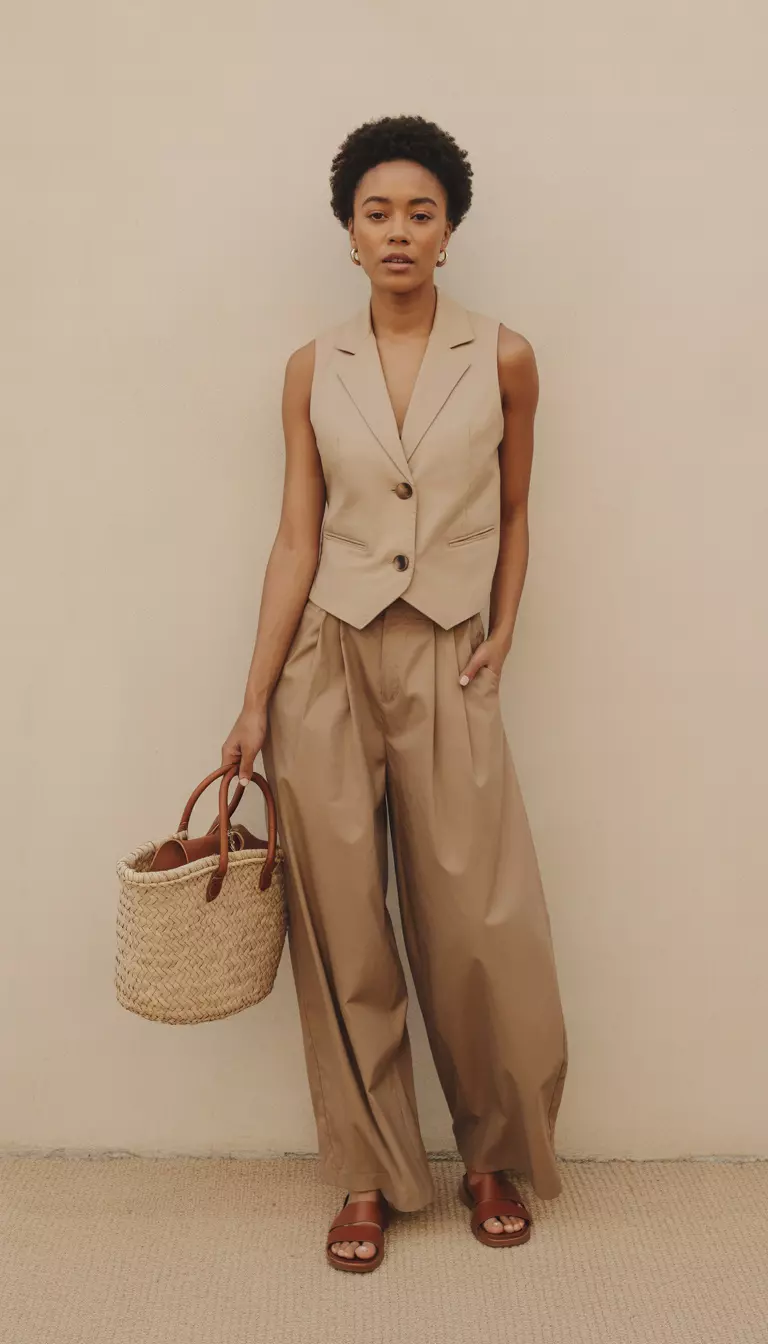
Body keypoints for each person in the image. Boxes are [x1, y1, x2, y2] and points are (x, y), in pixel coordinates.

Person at [221, 114, 568, 1274]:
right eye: (378, 212)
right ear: (348, 232)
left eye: (421, 211)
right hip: (329, 654)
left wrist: (505, 631)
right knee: (345, 933)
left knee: (476, 920)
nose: (399, 231)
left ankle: (488, 1156)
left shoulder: (505, 354)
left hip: (449, 652)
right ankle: (369, 1174)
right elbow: (294, 537)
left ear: (452, 230)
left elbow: (518, 510)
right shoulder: (313, 369)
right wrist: (254, 697)